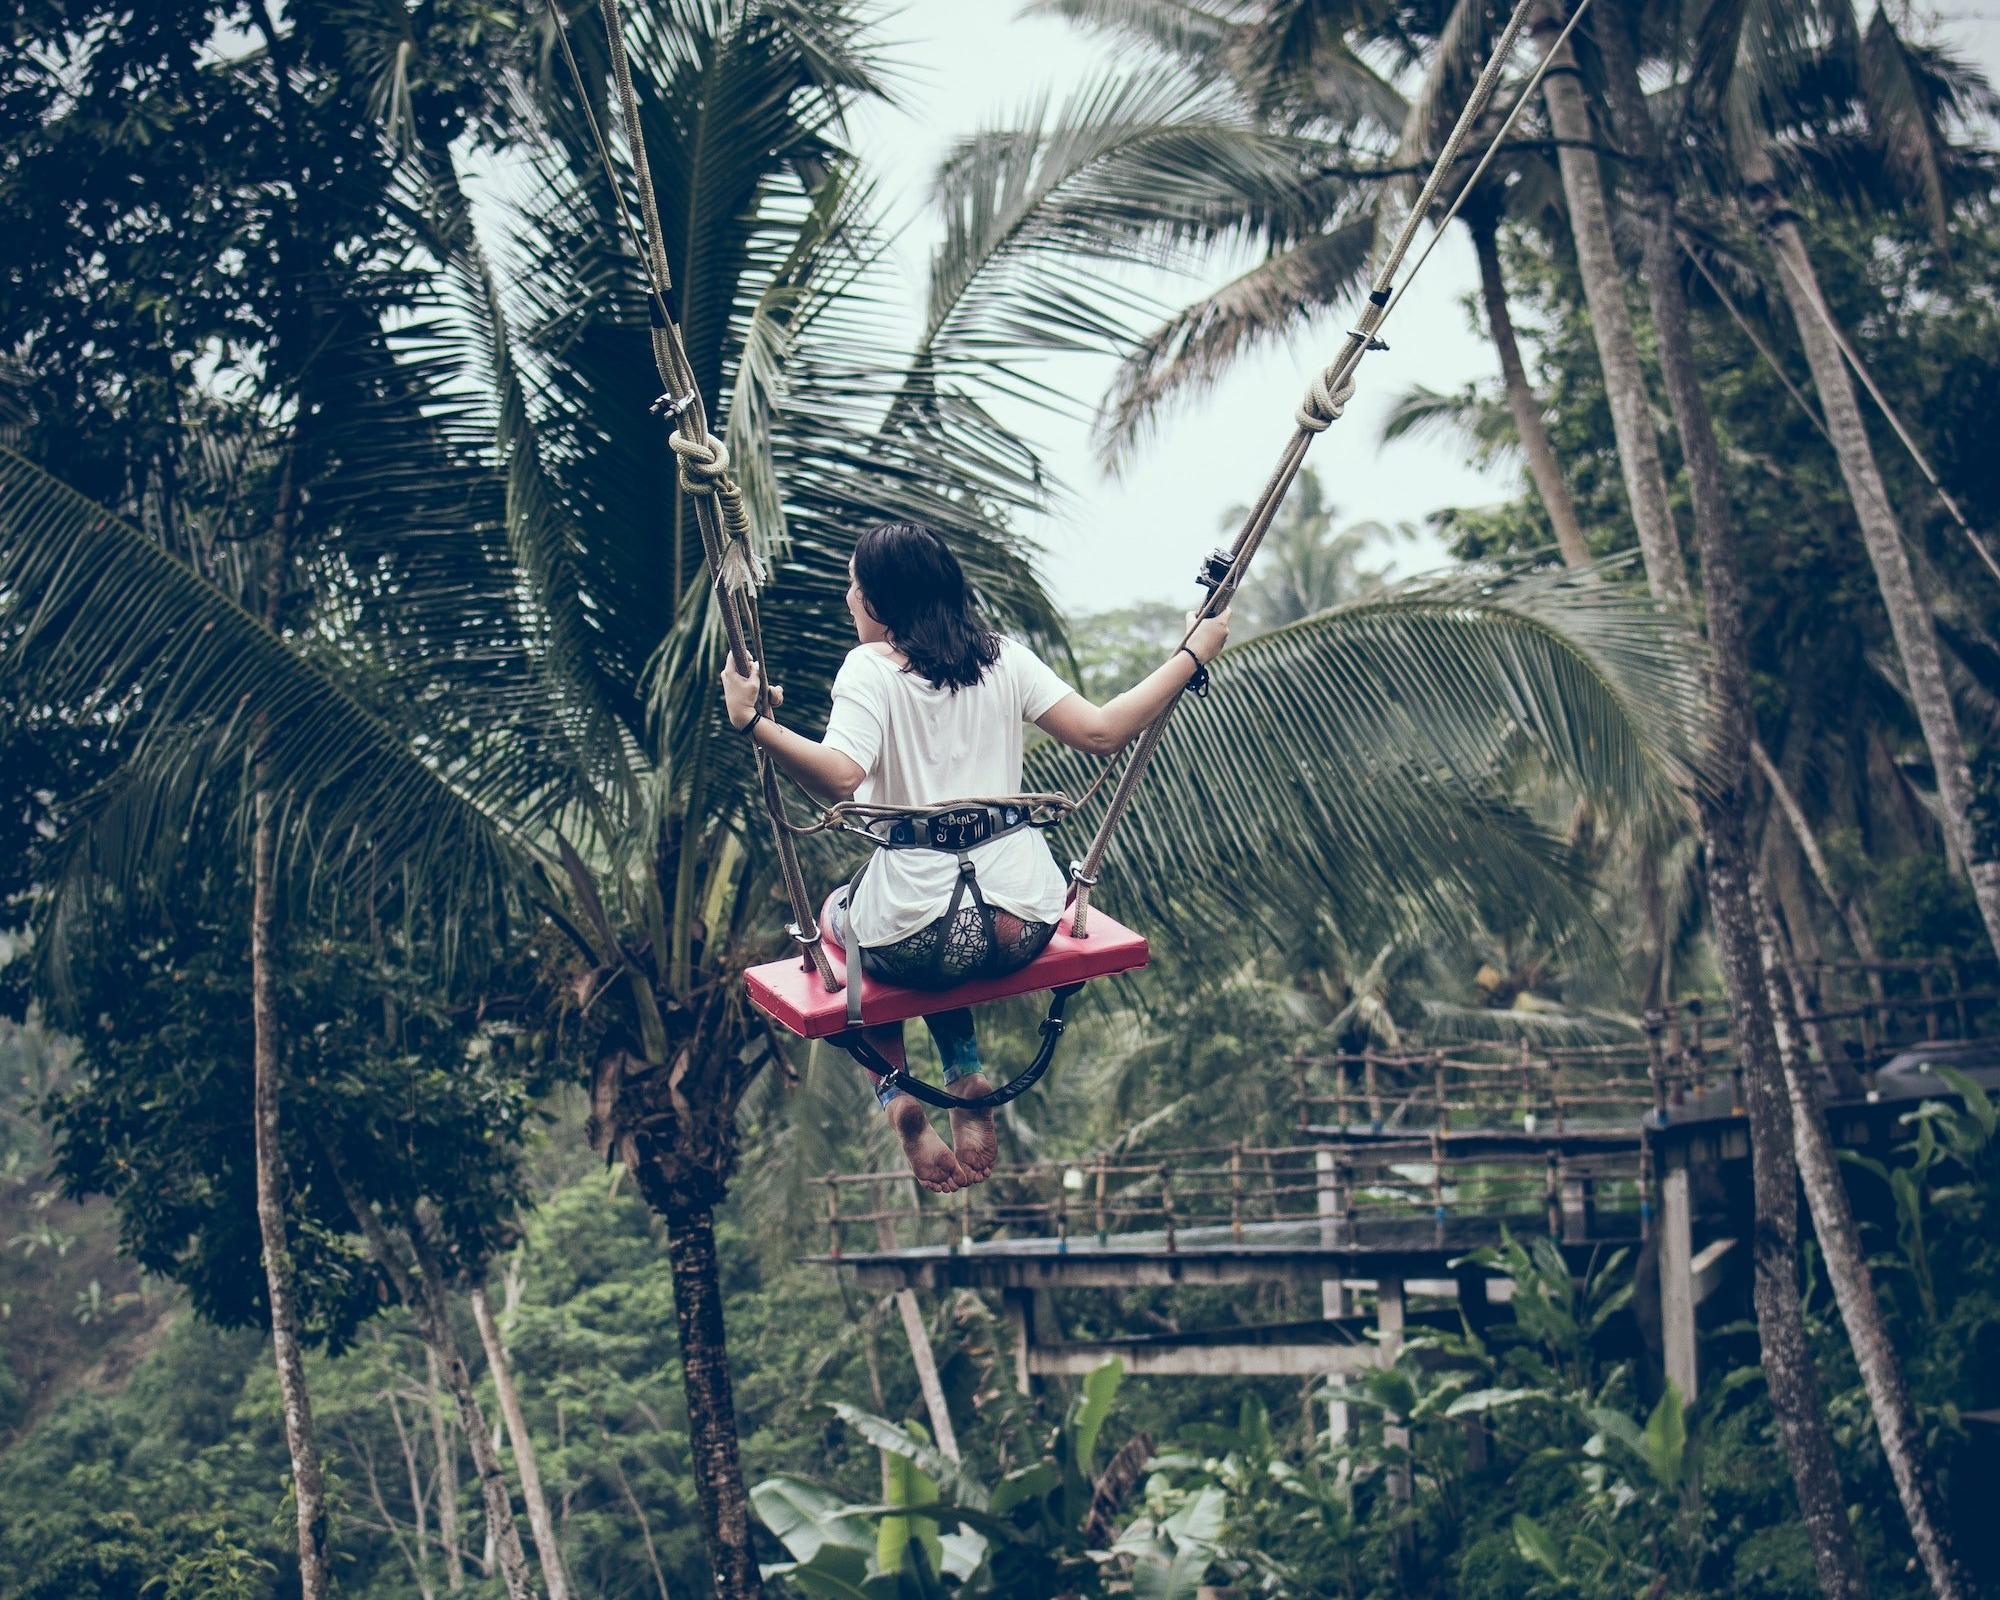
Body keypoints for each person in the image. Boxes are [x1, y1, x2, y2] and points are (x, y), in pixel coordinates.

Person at [721, 522, 1229, 1193]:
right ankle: (963, 1076)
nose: (847, 599)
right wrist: (1192, 654)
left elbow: (841, 777)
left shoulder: (869, 670)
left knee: (849, 922)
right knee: (941, 939)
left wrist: (755, 725)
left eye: (853, 587)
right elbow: (1104, 732)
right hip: (1023, 921)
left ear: (877, 603)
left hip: (916, 931)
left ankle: (899, 1098)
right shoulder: (1003, 658)